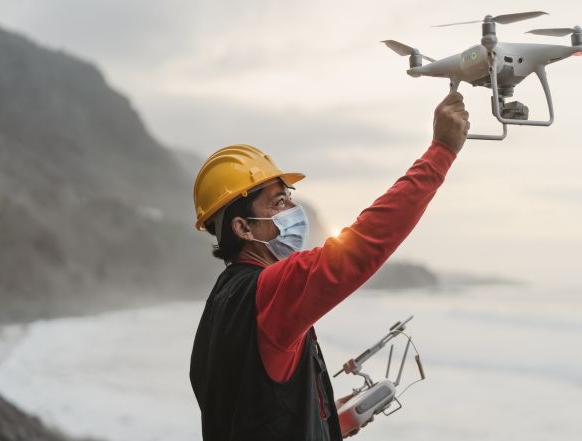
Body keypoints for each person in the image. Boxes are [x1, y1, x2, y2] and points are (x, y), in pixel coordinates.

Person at [189, 92, 469, 441]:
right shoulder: (268, 292)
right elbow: (365, 244)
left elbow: (255, 414)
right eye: (278, 202)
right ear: (243, 228)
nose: (293, 207)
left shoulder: (219, 306)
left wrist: (331, 422)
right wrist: (441, 151)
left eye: (288, 195)